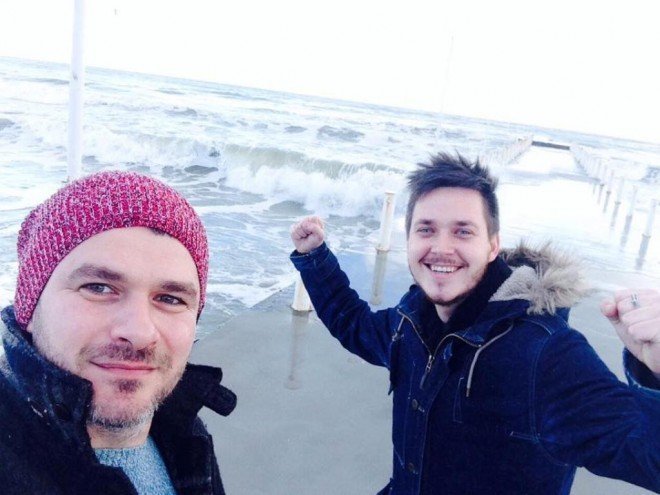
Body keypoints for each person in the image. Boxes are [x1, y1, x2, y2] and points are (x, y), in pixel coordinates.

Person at [289, 153, 660, 495]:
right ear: (409, 239)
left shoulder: (545, 355)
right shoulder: (411, 320)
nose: (441, 247)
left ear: (493, 246)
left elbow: (645, 453)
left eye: (463, 231)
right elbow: (355, 327)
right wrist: (315, 258)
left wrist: (656, 373)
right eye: (426, 229)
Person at [0, 171, 236, 494]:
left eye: (170, 299)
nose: (139, 332)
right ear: (30, 305)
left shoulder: (182, 428)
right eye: (98, 287)